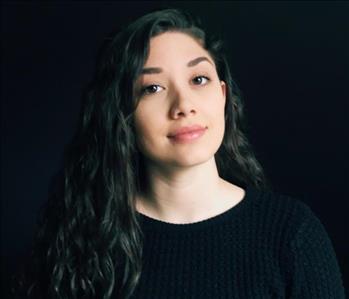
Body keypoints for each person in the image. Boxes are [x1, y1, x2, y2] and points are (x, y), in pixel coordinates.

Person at [12, 8, 345, 299]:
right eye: (152, 88)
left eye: (199, 79)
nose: (184, 105)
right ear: (122, 114)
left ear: (223, 94)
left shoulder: (292, 234)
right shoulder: (82, 243)